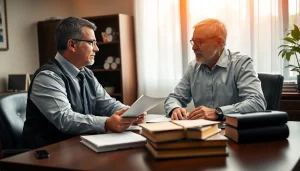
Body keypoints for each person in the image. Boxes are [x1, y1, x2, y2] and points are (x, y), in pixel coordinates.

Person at [21, 17, 145, 149]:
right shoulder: (47, 77)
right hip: (47, 153)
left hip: (76, 146)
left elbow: (107, 104)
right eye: (91, 42)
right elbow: (65, 119)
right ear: (72, 45)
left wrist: (130, 113)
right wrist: (106, 123)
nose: (96, 49)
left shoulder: (87, 74)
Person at [164, 18, 266, 121]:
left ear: (218, 42)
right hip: (202, 133)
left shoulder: (241, 64)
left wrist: (219, 112)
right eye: (193, 42)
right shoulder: (193, 67)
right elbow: (174, 98)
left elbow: (257, 103)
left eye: (199, 42)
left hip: (233, 132)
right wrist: (175, 108)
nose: (193, 47)